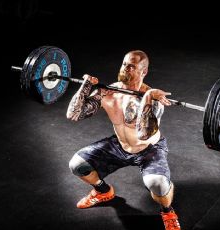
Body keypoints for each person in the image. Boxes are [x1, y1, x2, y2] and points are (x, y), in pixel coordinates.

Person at [67, 50, 181, 230]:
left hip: (148, 148)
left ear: (143, 72)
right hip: (119, 145)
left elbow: (144, 134)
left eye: (132, 66)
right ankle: (103, 191)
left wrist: (149, 98)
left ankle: (167, 211)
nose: (125, 68)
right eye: (124, 64)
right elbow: (74, 114)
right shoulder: (108, 92)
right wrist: (85, 87)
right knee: (77, 165)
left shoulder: (153, 99)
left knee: (157, 184)